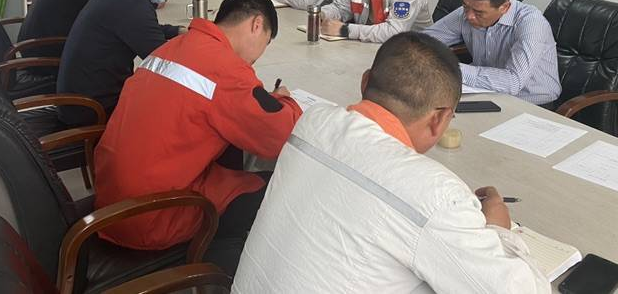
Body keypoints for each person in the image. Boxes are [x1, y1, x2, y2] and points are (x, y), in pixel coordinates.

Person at [233, 32, 550, 293]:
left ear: (365, 82)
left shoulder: (313, 121)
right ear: (439, 119)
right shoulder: (436, 196)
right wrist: (499, 231)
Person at [94, 0, 302, 275]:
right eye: (265, 43)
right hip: (151, 217)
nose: (257, 57)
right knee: (271, 186)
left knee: (231, 152)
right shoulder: (226, 69)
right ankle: (219, 271)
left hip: (111, 200)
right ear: (256, 25)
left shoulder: (172, 47)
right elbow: (279, 135)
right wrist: (286, 101)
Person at [56, 0, 186, 124]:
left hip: (80, 96)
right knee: (175, 106)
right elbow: (165, 63)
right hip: (92, 109)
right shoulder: (134, 4)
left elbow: (142, 28)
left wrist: (178, 31)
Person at [425, 0, 561, 106]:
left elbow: (513, 82)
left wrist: (449, 68)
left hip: (532, 104)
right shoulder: (468, 12)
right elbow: (423, 41)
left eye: (479, 12)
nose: (469, 16)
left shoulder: (532, 23)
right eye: (465, 6)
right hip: (485, 93)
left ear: (504, 7)